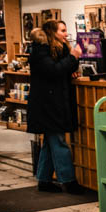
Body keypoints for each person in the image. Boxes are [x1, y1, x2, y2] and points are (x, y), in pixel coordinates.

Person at [27, 20, 84, 194]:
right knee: (59, 141)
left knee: (50, 143)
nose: (66, 34)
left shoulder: (57, 48)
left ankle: (44, 180)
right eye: (63, 30)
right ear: (52, 32)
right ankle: (68, 181)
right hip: (48, 105)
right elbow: (53, 71)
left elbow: (62, 69)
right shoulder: (41, 50)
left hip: (54, 103)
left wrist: (72, 64)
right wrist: (73, 57)